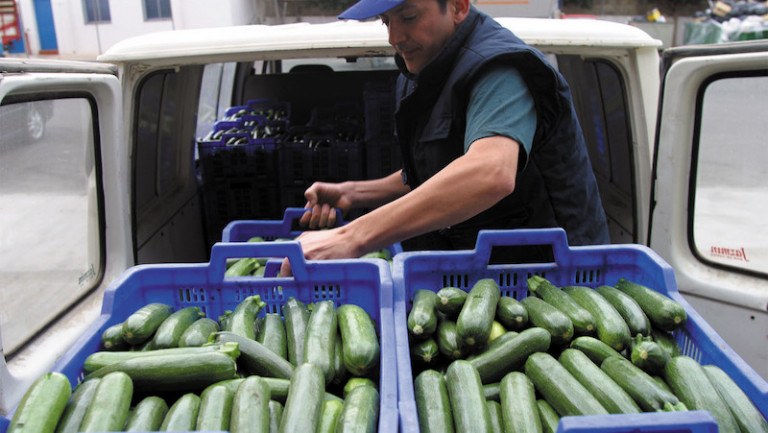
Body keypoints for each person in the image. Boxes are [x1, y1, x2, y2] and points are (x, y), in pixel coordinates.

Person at [282, 0, 610, 274]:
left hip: (551, 278)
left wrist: (352, 237)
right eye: (386, 21)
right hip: (479, 276)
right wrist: (353, 193)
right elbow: (436, 173)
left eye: (409, 17)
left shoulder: (500, 69)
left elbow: (491, 172)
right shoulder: (425, 69)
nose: (395, 37)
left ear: (458, 7)